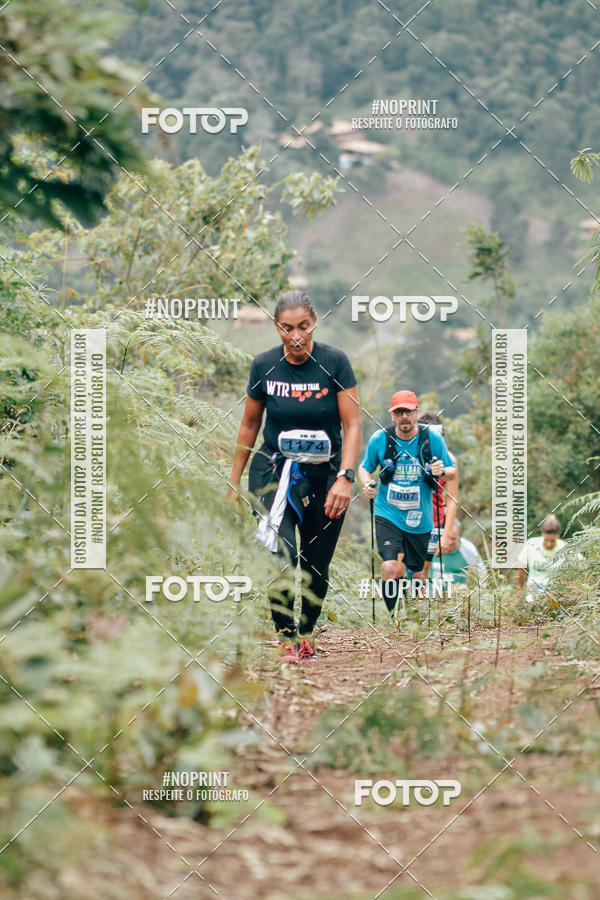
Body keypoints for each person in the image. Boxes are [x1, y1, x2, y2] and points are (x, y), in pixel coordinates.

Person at [226, 290, 361, 662]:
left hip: (326, 477)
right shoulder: (264, 365)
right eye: (287, 328)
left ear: (314, 322)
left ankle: (306, 632)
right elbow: (250, 424)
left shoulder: (335, 362)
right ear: (276, 327)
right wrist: (233, 481)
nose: (296, 336)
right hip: (273, 473)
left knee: (316, 563)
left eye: (303, 326)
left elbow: (352, 425)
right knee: (279, 556)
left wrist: (345, 477)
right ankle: (286, 637)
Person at [359, 390, 456, 619]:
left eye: (408, 411)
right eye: (399, 412)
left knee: (416, 574)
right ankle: (395, 618)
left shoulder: (432, 439)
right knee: (391, 567)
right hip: (388, 513)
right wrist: (368, 483)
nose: (404, 417)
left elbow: (452, 471)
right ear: (392, 415)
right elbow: (365, 467)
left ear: (417, 412)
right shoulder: (380, 439)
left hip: (420, 518)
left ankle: (411, 614)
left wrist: (442, 470)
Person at [418, 412, 459, 582]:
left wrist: (447, 534)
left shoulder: (449, 459)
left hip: (434, 522)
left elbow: (452, 499)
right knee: (396, 568)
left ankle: (414, 608)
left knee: (423, 573)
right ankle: (398, 608)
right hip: (405, 520)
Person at [517, 515, 565, 602]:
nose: (549, 544)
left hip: (556, 593)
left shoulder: (564, 547)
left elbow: (581, 565)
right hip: (533, 591)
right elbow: (521, 567)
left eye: (552, 541)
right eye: (546, 540)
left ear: (558, 535)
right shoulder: (531, 543)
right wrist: (521, 590)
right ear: (542, 533)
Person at [428, 520, 485, 585]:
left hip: (457, 592)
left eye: (453, 539)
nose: (449, 542)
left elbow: (481, 571)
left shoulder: (467, 547)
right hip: (431, 591)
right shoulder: (432, 544)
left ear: (459, 535)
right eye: (447, 538)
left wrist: (482, 592)